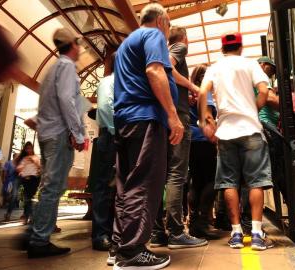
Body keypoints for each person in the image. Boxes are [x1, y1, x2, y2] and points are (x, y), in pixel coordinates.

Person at [112, 3, 183, 269]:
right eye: (169, 25)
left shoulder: (125, 45)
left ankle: (118, 246)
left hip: (126, 121)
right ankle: (132, 252)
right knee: (145, 183)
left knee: (126, 186)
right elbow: (155, 71)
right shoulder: (153, 35)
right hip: (145, 119)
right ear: (162, 21)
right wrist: (173, 115)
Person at [198, 32, 274, 251]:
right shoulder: (250, 64)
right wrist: (253, 109)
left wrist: (205, 120)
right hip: (250, 129)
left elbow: (203, 92)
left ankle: (236, 233)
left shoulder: (215, 67)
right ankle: (257, 234)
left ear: (223, 49)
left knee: (229, 182)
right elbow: (263, 92)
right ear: (240, 47)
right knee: (256, 182)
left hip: (226, 132)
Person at [27, 27, 86, 258]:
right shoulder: (67, 66)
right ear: (73, 45)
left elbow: (57, 100)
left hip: (48, 133)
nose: (80, 48)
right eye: (78, 44)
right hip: (59, 134)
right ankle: (39, 239)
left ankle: (38, 234)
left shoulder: (53, 68)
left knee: (51, 186)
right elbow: (65, 100)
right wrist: (79, 134)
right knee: (53, 187)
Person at [151, 26, 207, 249]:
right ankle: (176, 231)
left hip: (164, 115)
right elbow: (168, 68)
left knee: (162, 174)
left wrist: (184, 91)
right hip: (178, 117)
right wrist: (192, 85)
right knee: (177, 173)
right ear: (184, 38)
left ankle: (157, 232)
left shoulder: (162, 50)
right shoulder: (179, 47)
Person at [187, 65, 219, 239]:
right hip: (203, 140)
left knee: (197, 181)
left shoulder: (189, 93)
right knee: (214, 180)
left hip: (190, 140)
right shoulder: (204, 93)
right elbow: (208, 117)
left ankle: (193, 223)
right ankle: (201, 221)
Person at [91, 52, 116, 253]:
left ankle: (107, 233)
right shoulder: (111, 81)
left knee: (109, 187)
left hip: (108, 135)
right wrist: (120, 132)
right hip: (111, 136)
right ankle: (101, 235)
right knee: (105, 188)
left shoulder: (109, 81)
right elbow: (107, 108)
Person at [16, 142, 41, 225]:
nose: (28, 150)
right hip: (26, 180)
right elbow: (19, 168)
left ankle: (28, 217)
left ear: (32, 149)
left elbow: (39, 167)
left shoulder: (35, 157)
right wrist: (22, 173)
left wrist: (33, 161)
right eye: (27, 148)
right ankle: (30, 217)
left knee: (28, 199)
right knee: (28, 199)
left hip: (34, 179)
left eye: (30, 148)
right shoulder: (24, 158)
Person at [3, 153, 18, 221]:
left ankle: (8, 213)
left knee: (13, 197)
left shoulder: (18, 164)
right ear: (14, 156)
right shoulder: (8, 163)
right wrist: (4, 179)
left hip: (15, 183)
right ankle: (7, 212)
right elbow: (5, 172)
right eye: (17, 156)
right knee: (8, 196)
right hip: (9, 182)